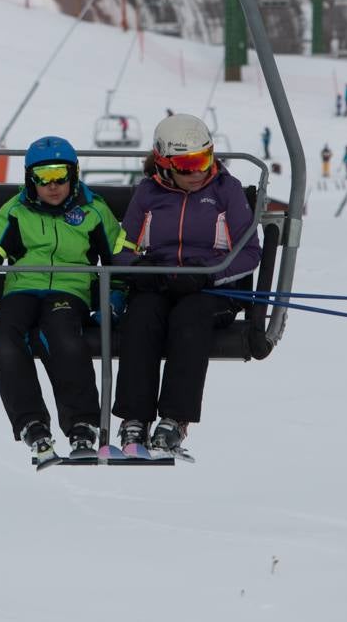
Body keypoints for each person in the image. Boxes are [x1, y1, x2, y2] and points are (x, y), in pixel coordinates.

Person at [0, 136, 122, 463]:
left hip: (69, 289)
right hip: (22, 288)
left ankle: (82, 424)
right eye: (43, 178)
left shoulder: (93, 211)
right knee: (4, 336)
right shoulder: (15, 211)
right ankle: (31, 423)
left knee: (61, 335)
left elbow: (117, 260)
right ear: (30, 179)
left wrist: (115, 298)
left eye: (60, 176)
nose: (53, 186)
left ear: (74, 175)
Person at [110, 114, 261, 457]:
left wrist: (208, 272)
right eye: (187, 164)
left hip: (213, 289)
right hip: (161, 284)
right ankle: (135, 417)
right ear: (164, 164)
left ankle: (175, 420)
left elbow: (250, 252)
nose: (198, 172)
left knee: (190, 319)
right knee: (141, 317)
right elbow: (123, 247)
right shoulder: (148, 193)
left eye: (204, 160)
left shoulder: (227, 190)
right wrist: (143, 270)